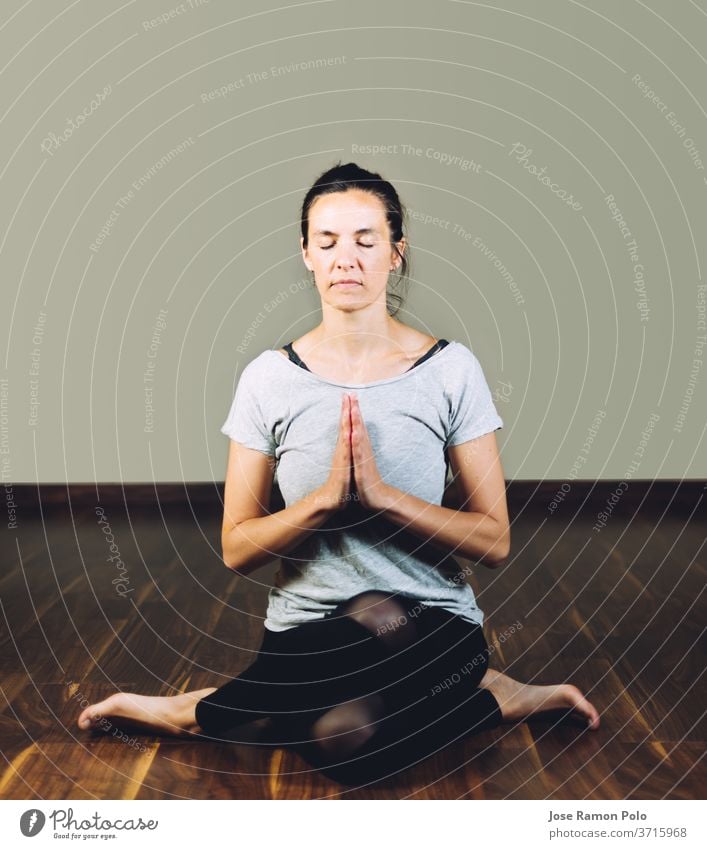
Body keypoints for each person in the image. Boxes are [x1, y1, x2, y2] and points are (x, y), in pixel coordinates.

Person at [78, 162, 599, 785]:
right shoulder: (268, 379)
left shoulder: (451, 370)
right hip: (308, 639)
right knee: (344, 743)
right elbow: (237, 548)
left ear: (395, 254)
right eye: (327, 242)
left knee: (377, 610)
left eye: (365, 239)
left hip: (425, 630)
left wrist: (384, 499)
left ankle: (200, 711)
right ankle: (496, 698)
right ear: (306, 256)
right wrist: (322, 504)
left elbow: (495, 540)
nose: (345, 258)